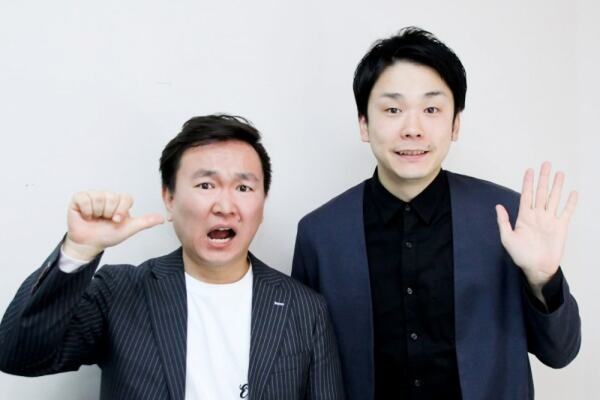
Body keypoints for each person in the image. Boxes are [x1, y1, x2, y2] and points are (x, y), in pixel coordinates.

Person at [292, 27, 581, 400]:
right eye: (393, 110)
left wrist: (544, 280)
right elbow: (303, 368)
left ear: (455, 124)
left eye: (431, 110)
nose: (413, 129)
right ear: (364, 124)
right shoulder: (321, 235)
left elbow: (561, 352)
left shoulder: (509, 219)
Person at [0, 114, 344, 400]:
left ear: (262, 202)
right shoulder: (120, 292)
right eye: (206, 185)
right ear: (169, 198)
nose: (225, 206)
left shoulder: (305, 309)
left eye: (243, 188)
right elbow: (17, 355)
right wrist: (79, 251)